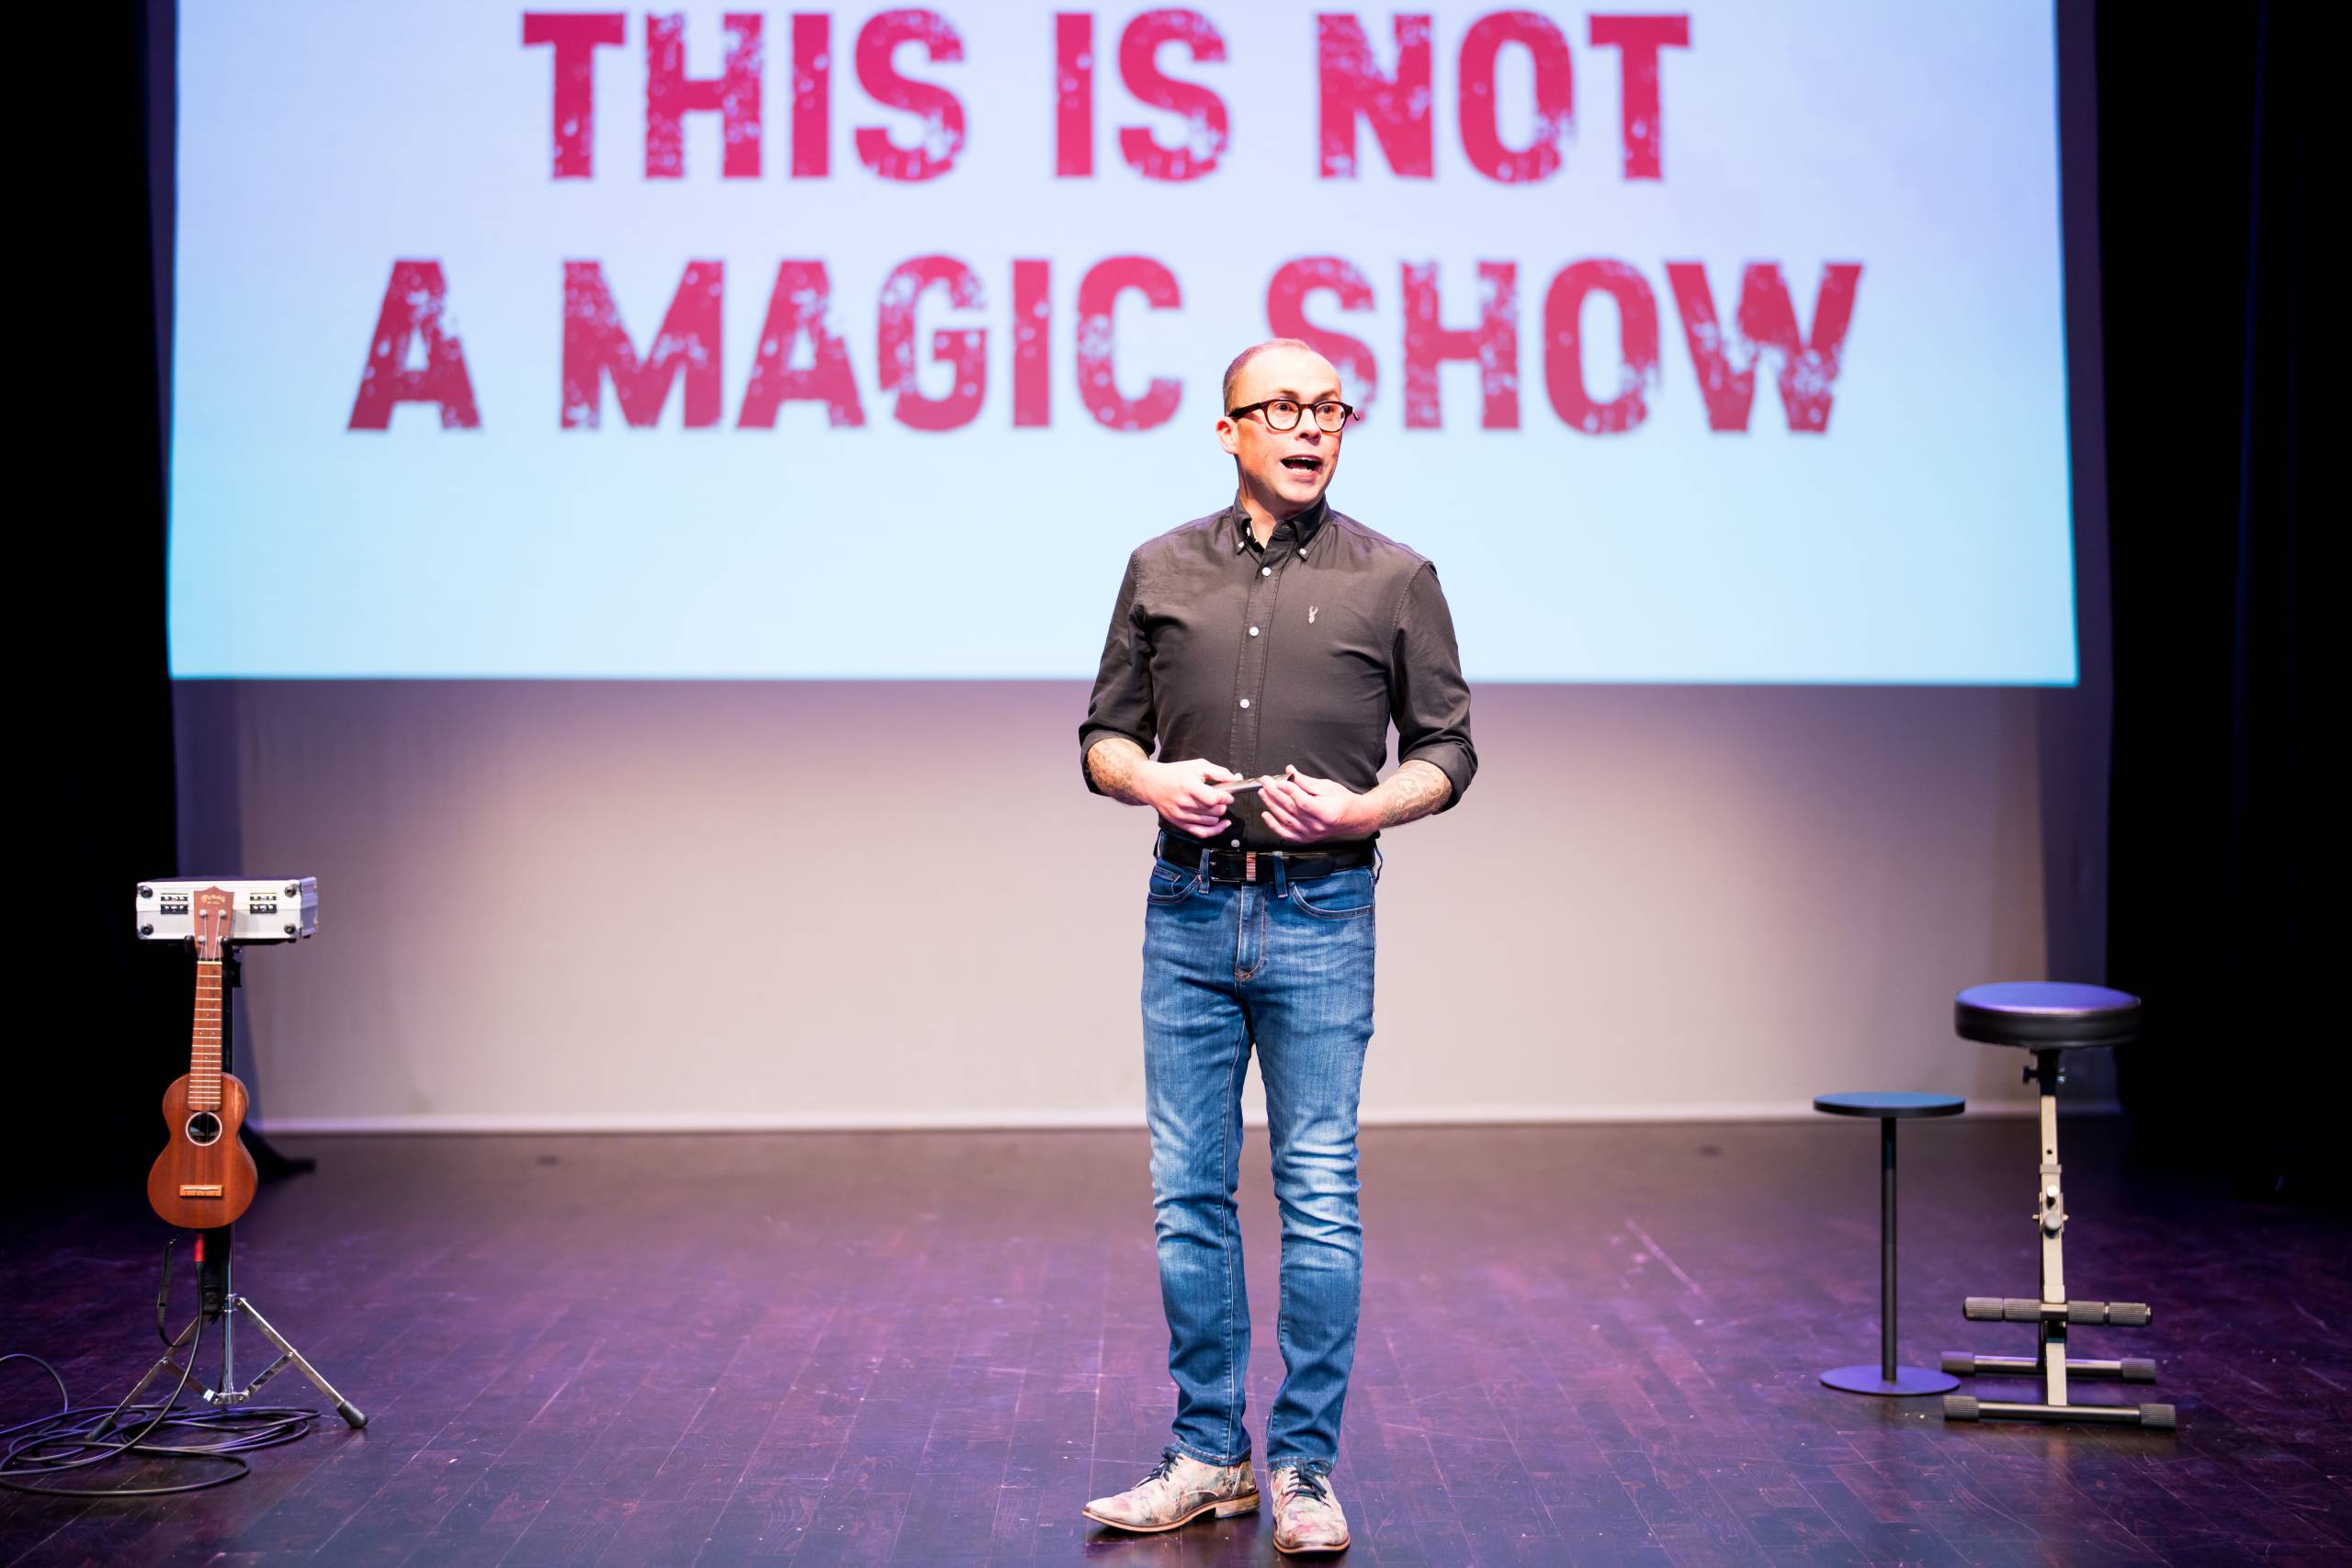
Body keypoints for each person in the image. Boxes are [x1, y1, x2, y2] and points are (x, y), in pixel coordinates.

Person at [1076, 339, 1477, 1554]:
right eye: (1283, 407)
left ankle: (1302, 1469)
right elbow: (1101, 737)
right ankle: (1210, 1456)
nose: (1311, 427)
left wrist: (1363, 808)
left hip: (1321, 912)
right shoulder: (1158, 568)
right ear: (1230, 431)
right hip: (1187, 907)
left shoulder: (1394, 578)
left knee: (1318, 1190)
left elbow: (1447, 752)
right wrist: (1151, 779)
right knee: (1186, 1193)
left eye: (1329, 408)